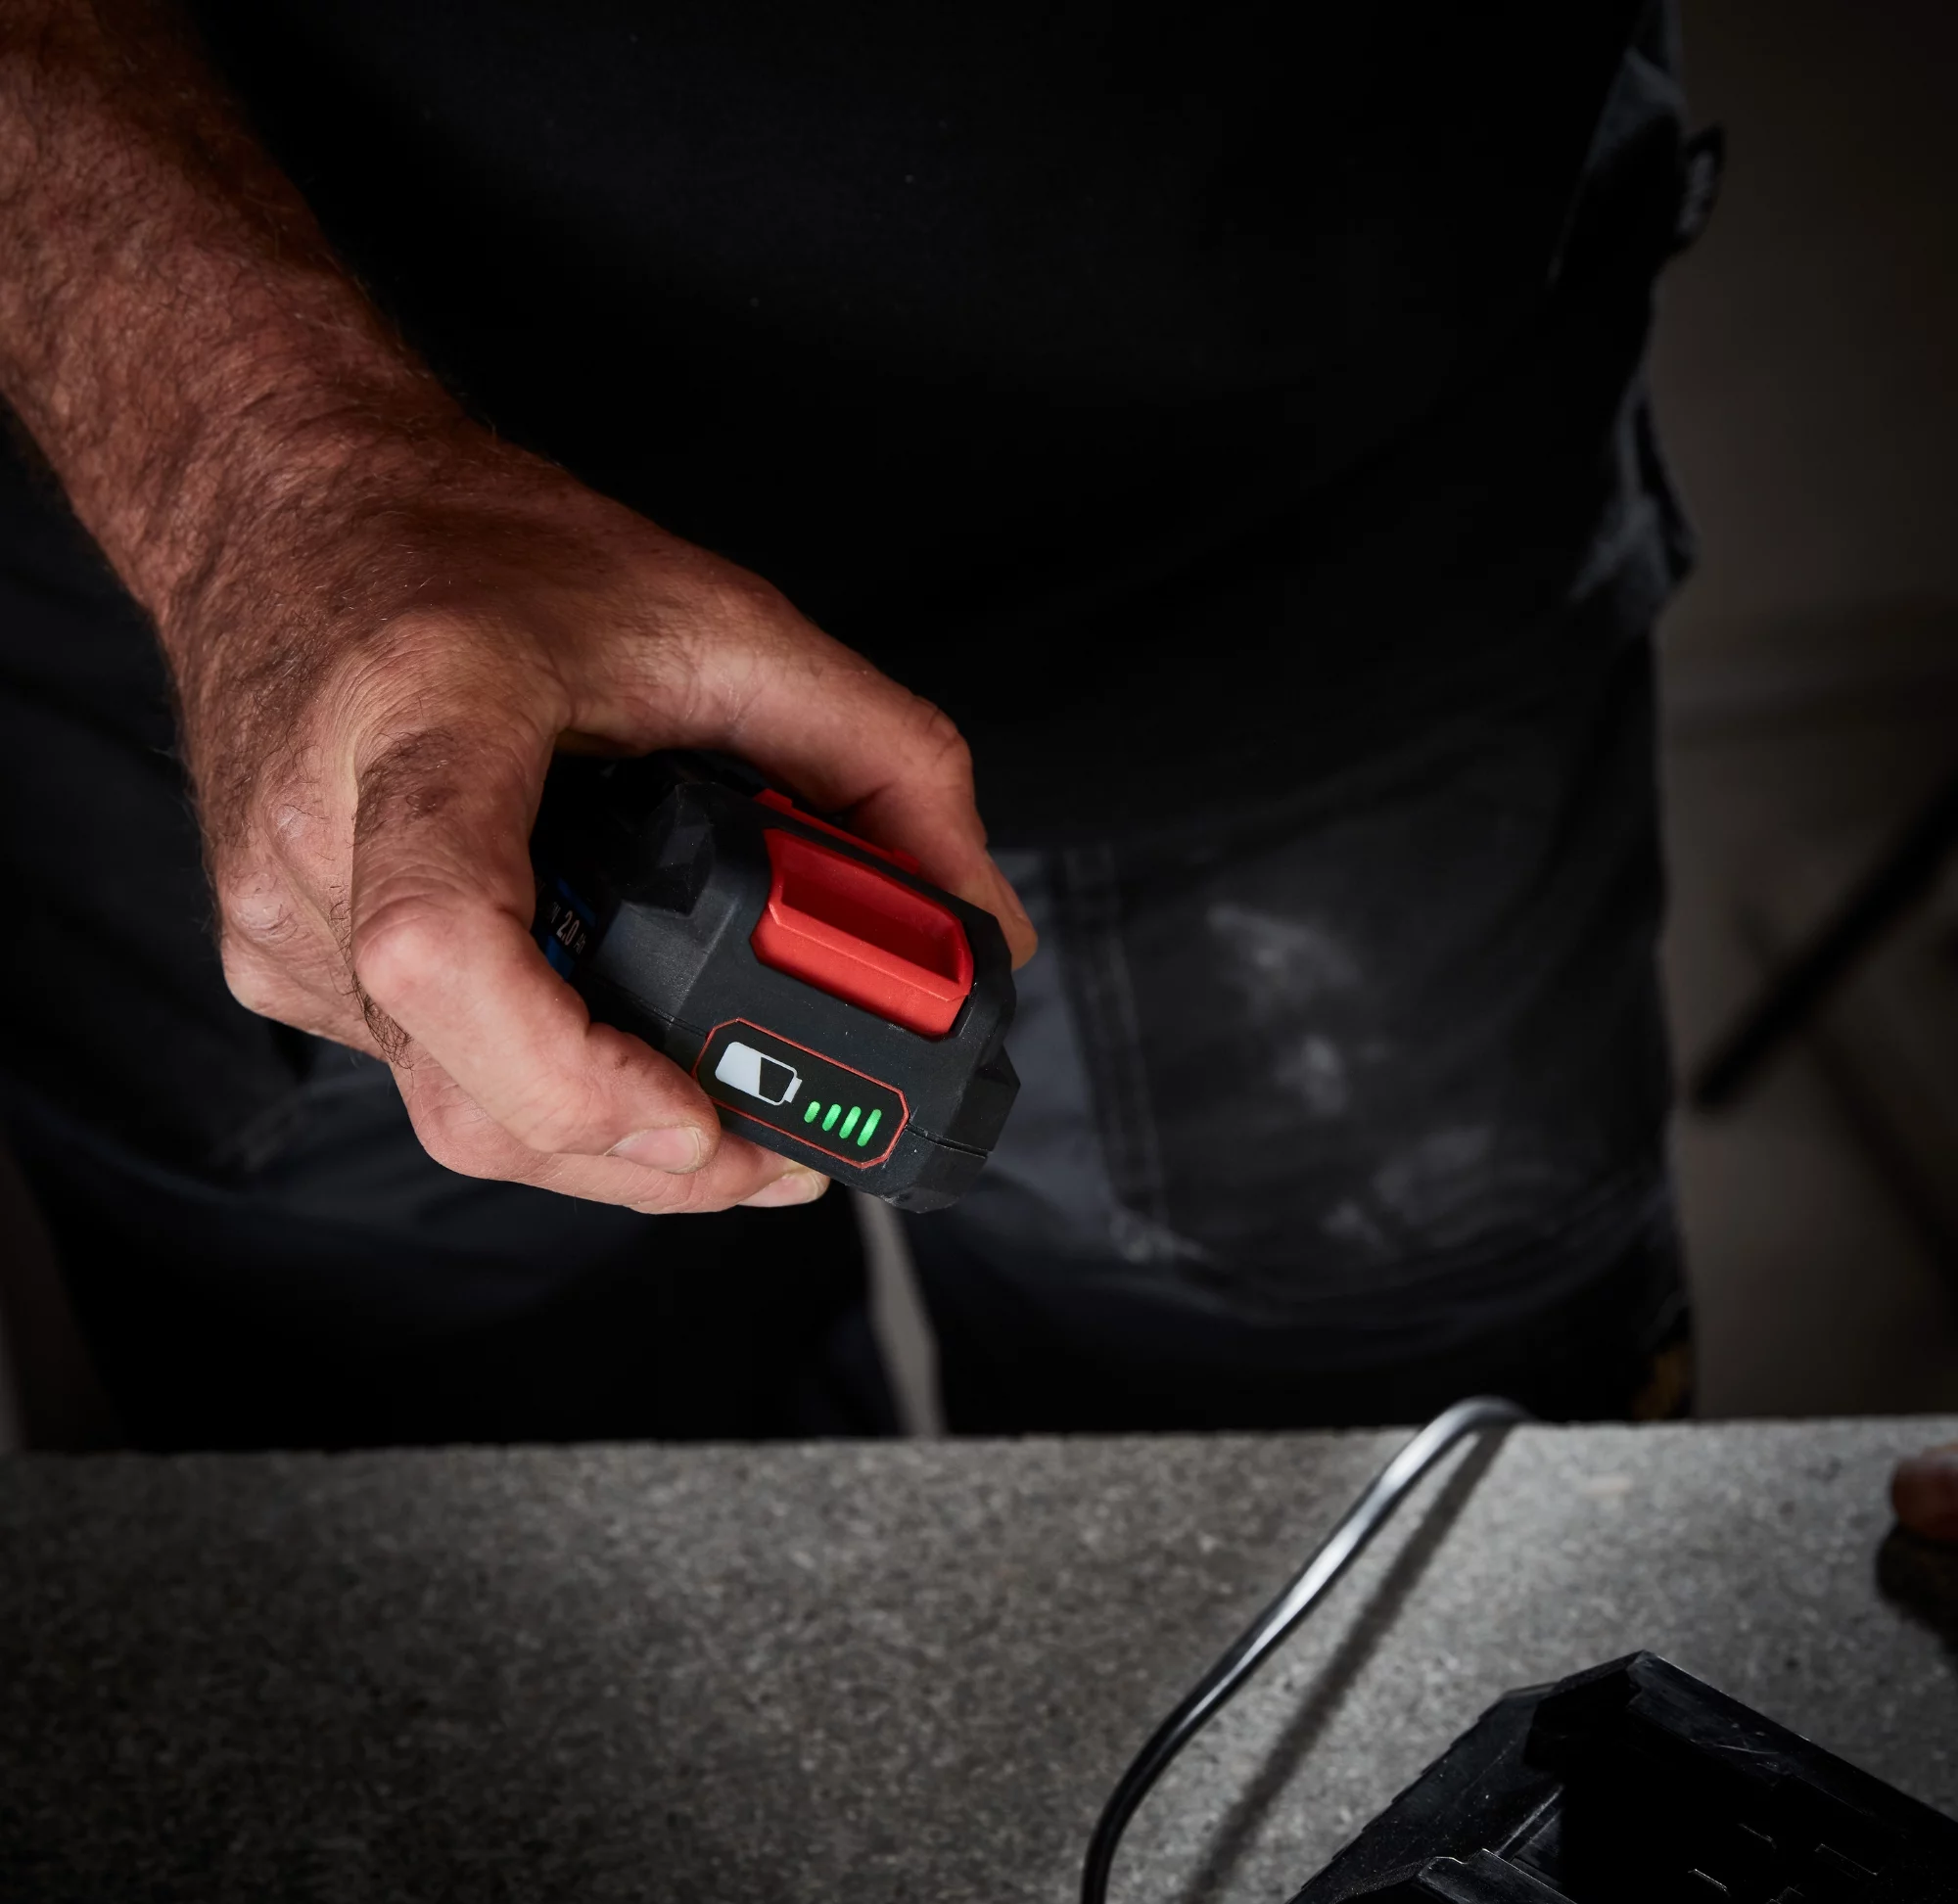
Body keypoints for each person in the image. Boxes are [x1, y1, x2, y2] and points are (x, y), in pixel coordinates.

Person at [1, 0, 1706, 1447]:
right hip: (289, 678)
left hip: (1324, 594)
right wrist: (257, 477)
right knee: (470, 1644)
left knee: (1411, 1605)